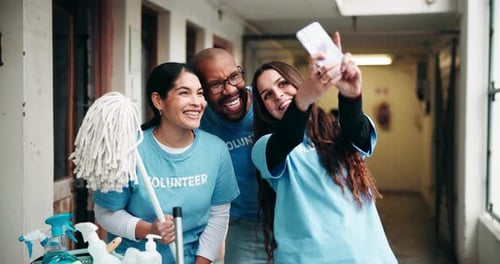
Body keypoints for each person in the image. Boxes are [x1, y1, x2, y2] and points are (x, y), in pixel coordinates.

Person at [250, 33, 397, 263]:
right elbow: (287, 138)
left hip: (367, 256)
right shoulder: (264, 147)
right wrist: (303, 99)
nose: (278, 95)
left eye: (283, 84)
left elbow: (356, 130)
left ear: (296, 83)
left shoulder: (336, 128)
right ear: (263, 108)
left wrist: (351, 96)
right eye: (267, 95)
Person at [93, 62, 240, 264]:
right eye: (184, 93)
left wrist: (202, 262)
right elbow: (105, 213)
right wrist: (150, 230)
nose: (197, 102)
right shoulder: (130, 150)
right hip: (133, 258)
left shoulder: (216, 150)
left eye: (200, 93)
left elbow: (218, 217)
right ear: (158, 101)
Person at [190, 48, 268, 263]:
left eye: (234, 76)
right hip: (245, 227)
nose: (230, 89)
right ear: (201, 90)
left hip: (292, 220)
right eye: (216, 84)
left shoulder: (268, 101)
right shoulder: (197, 122)